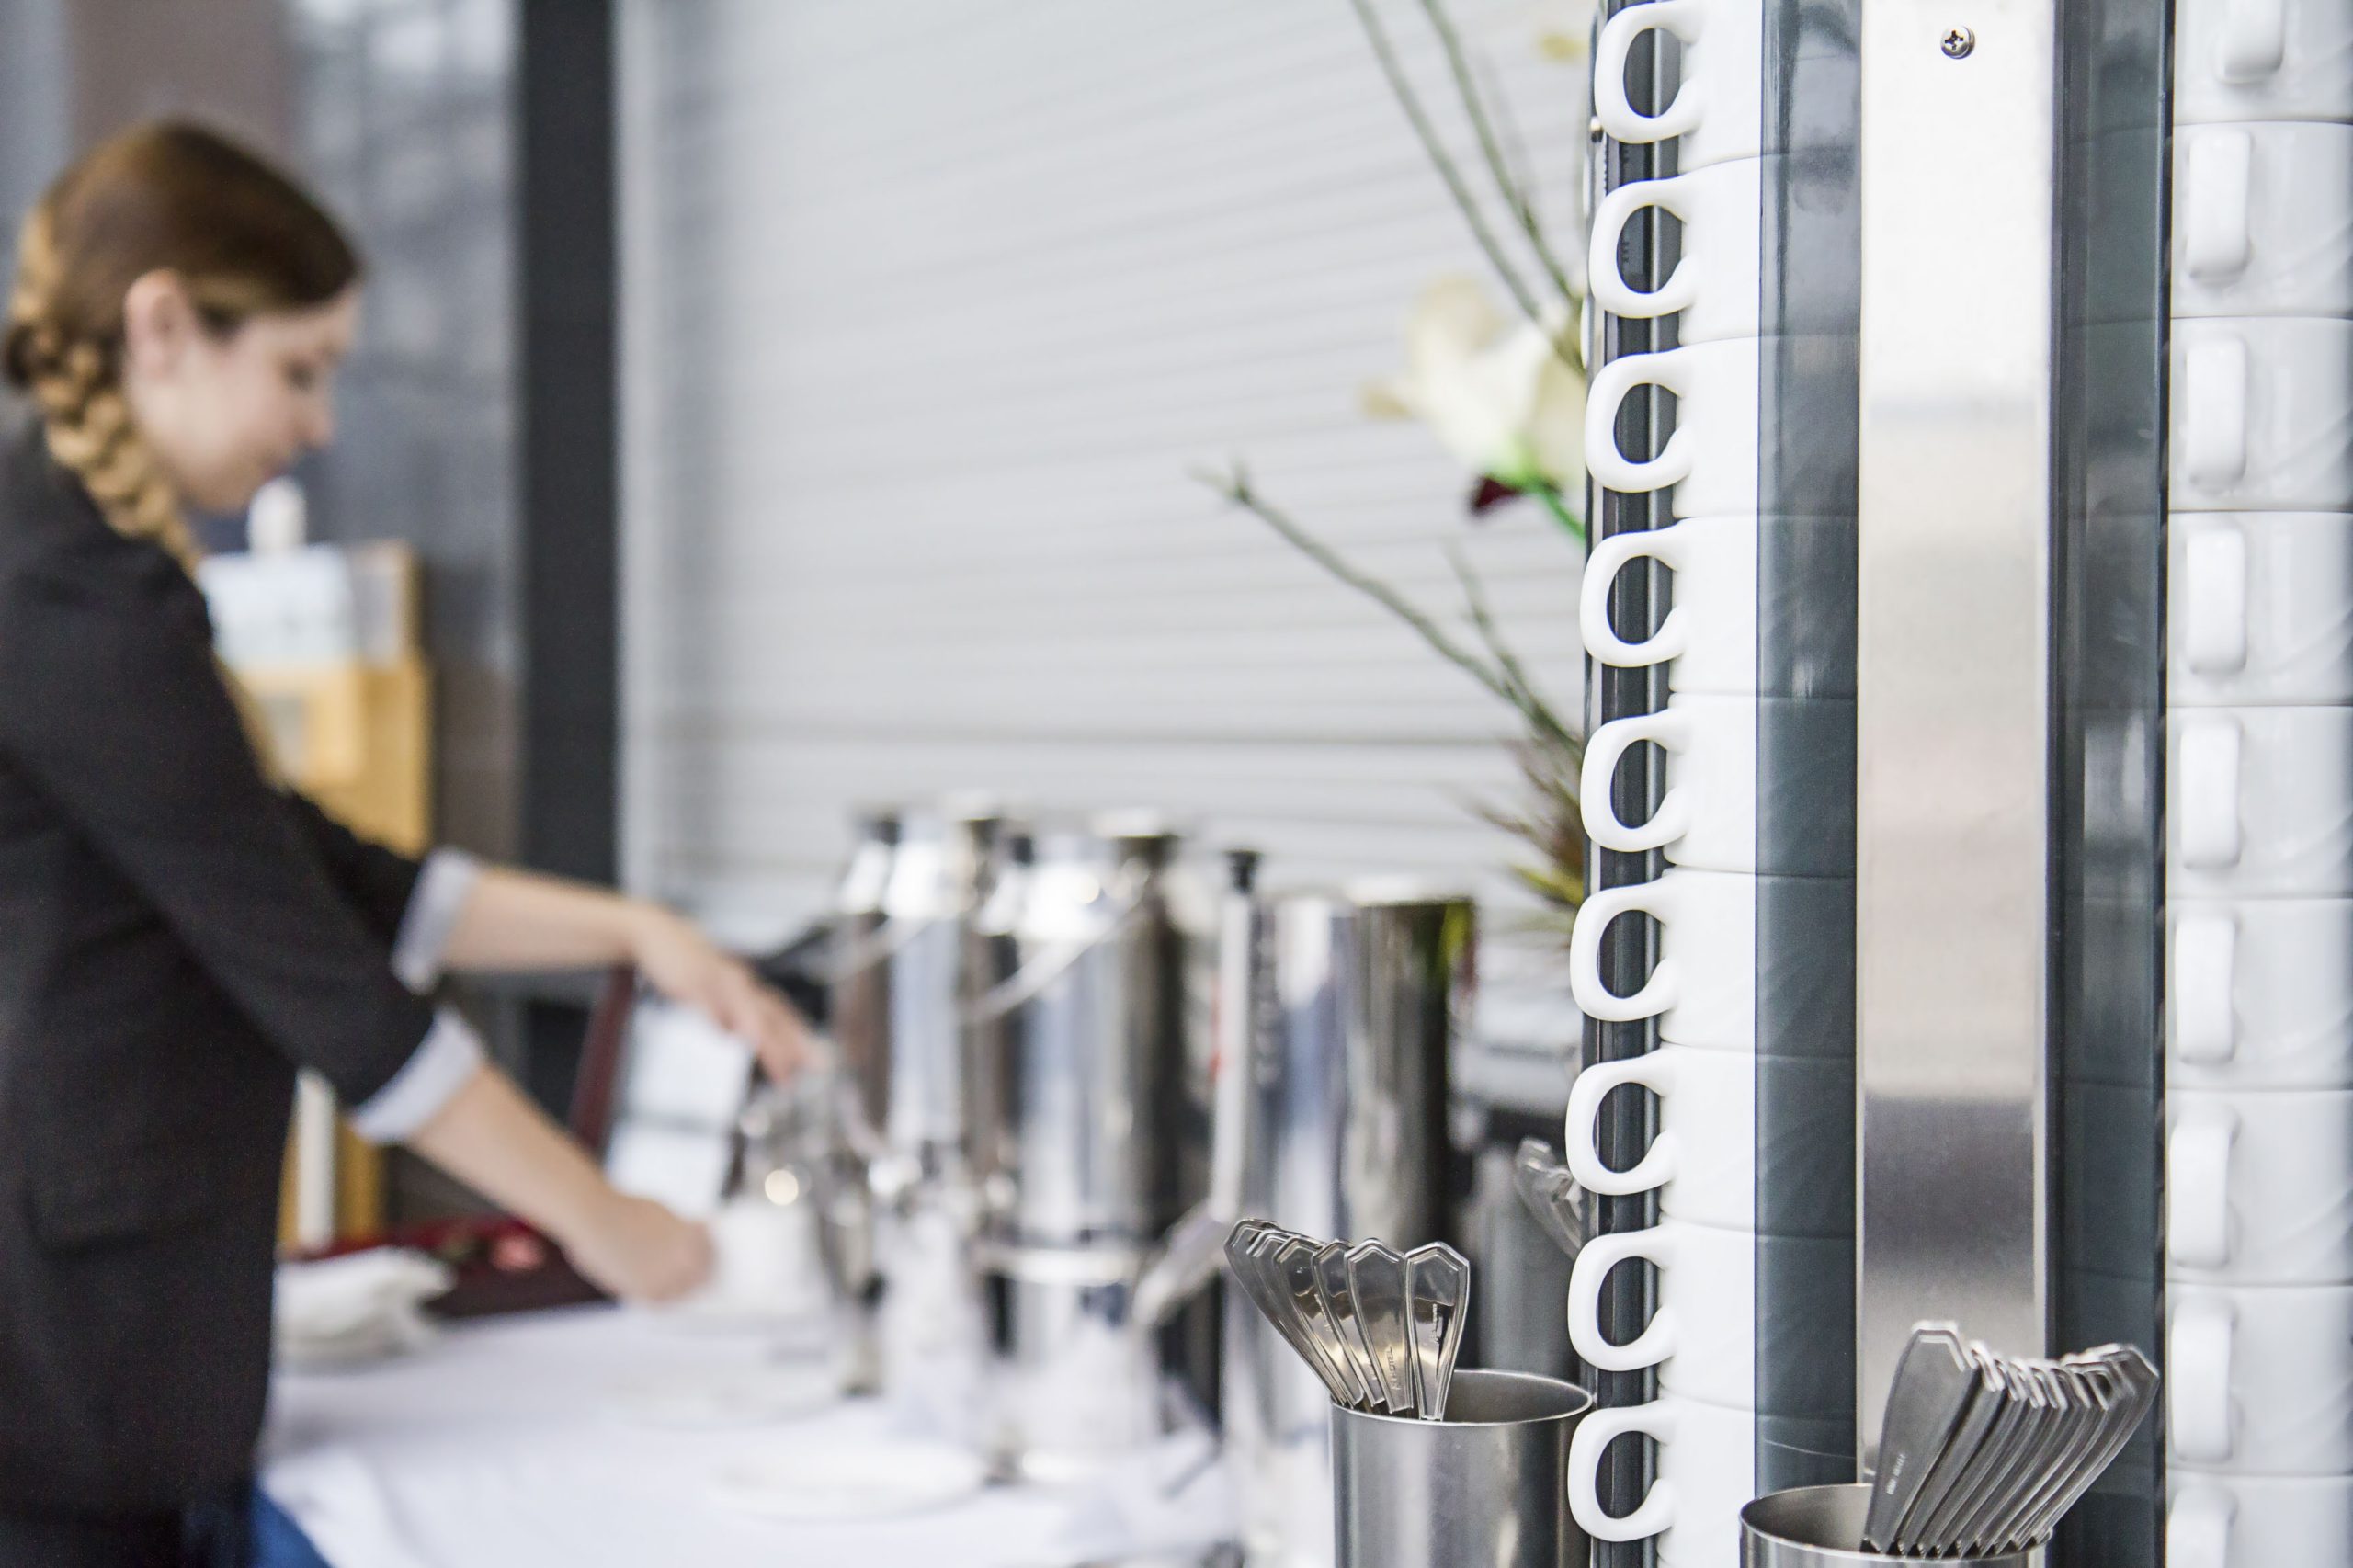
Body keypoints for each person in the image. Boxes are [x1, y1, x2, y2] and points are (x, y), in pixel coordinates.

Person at [0, 123, 811, 1564]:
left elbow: (323, 867)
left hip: (107, 1343)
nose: (317, 425)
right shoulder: (71, 597)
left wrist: (633, 933)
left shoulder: (75, 563)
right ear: (165, 325)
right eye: (301, 370)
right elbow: (334, 992)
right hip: (65, 1373)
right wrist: (611, 1225)